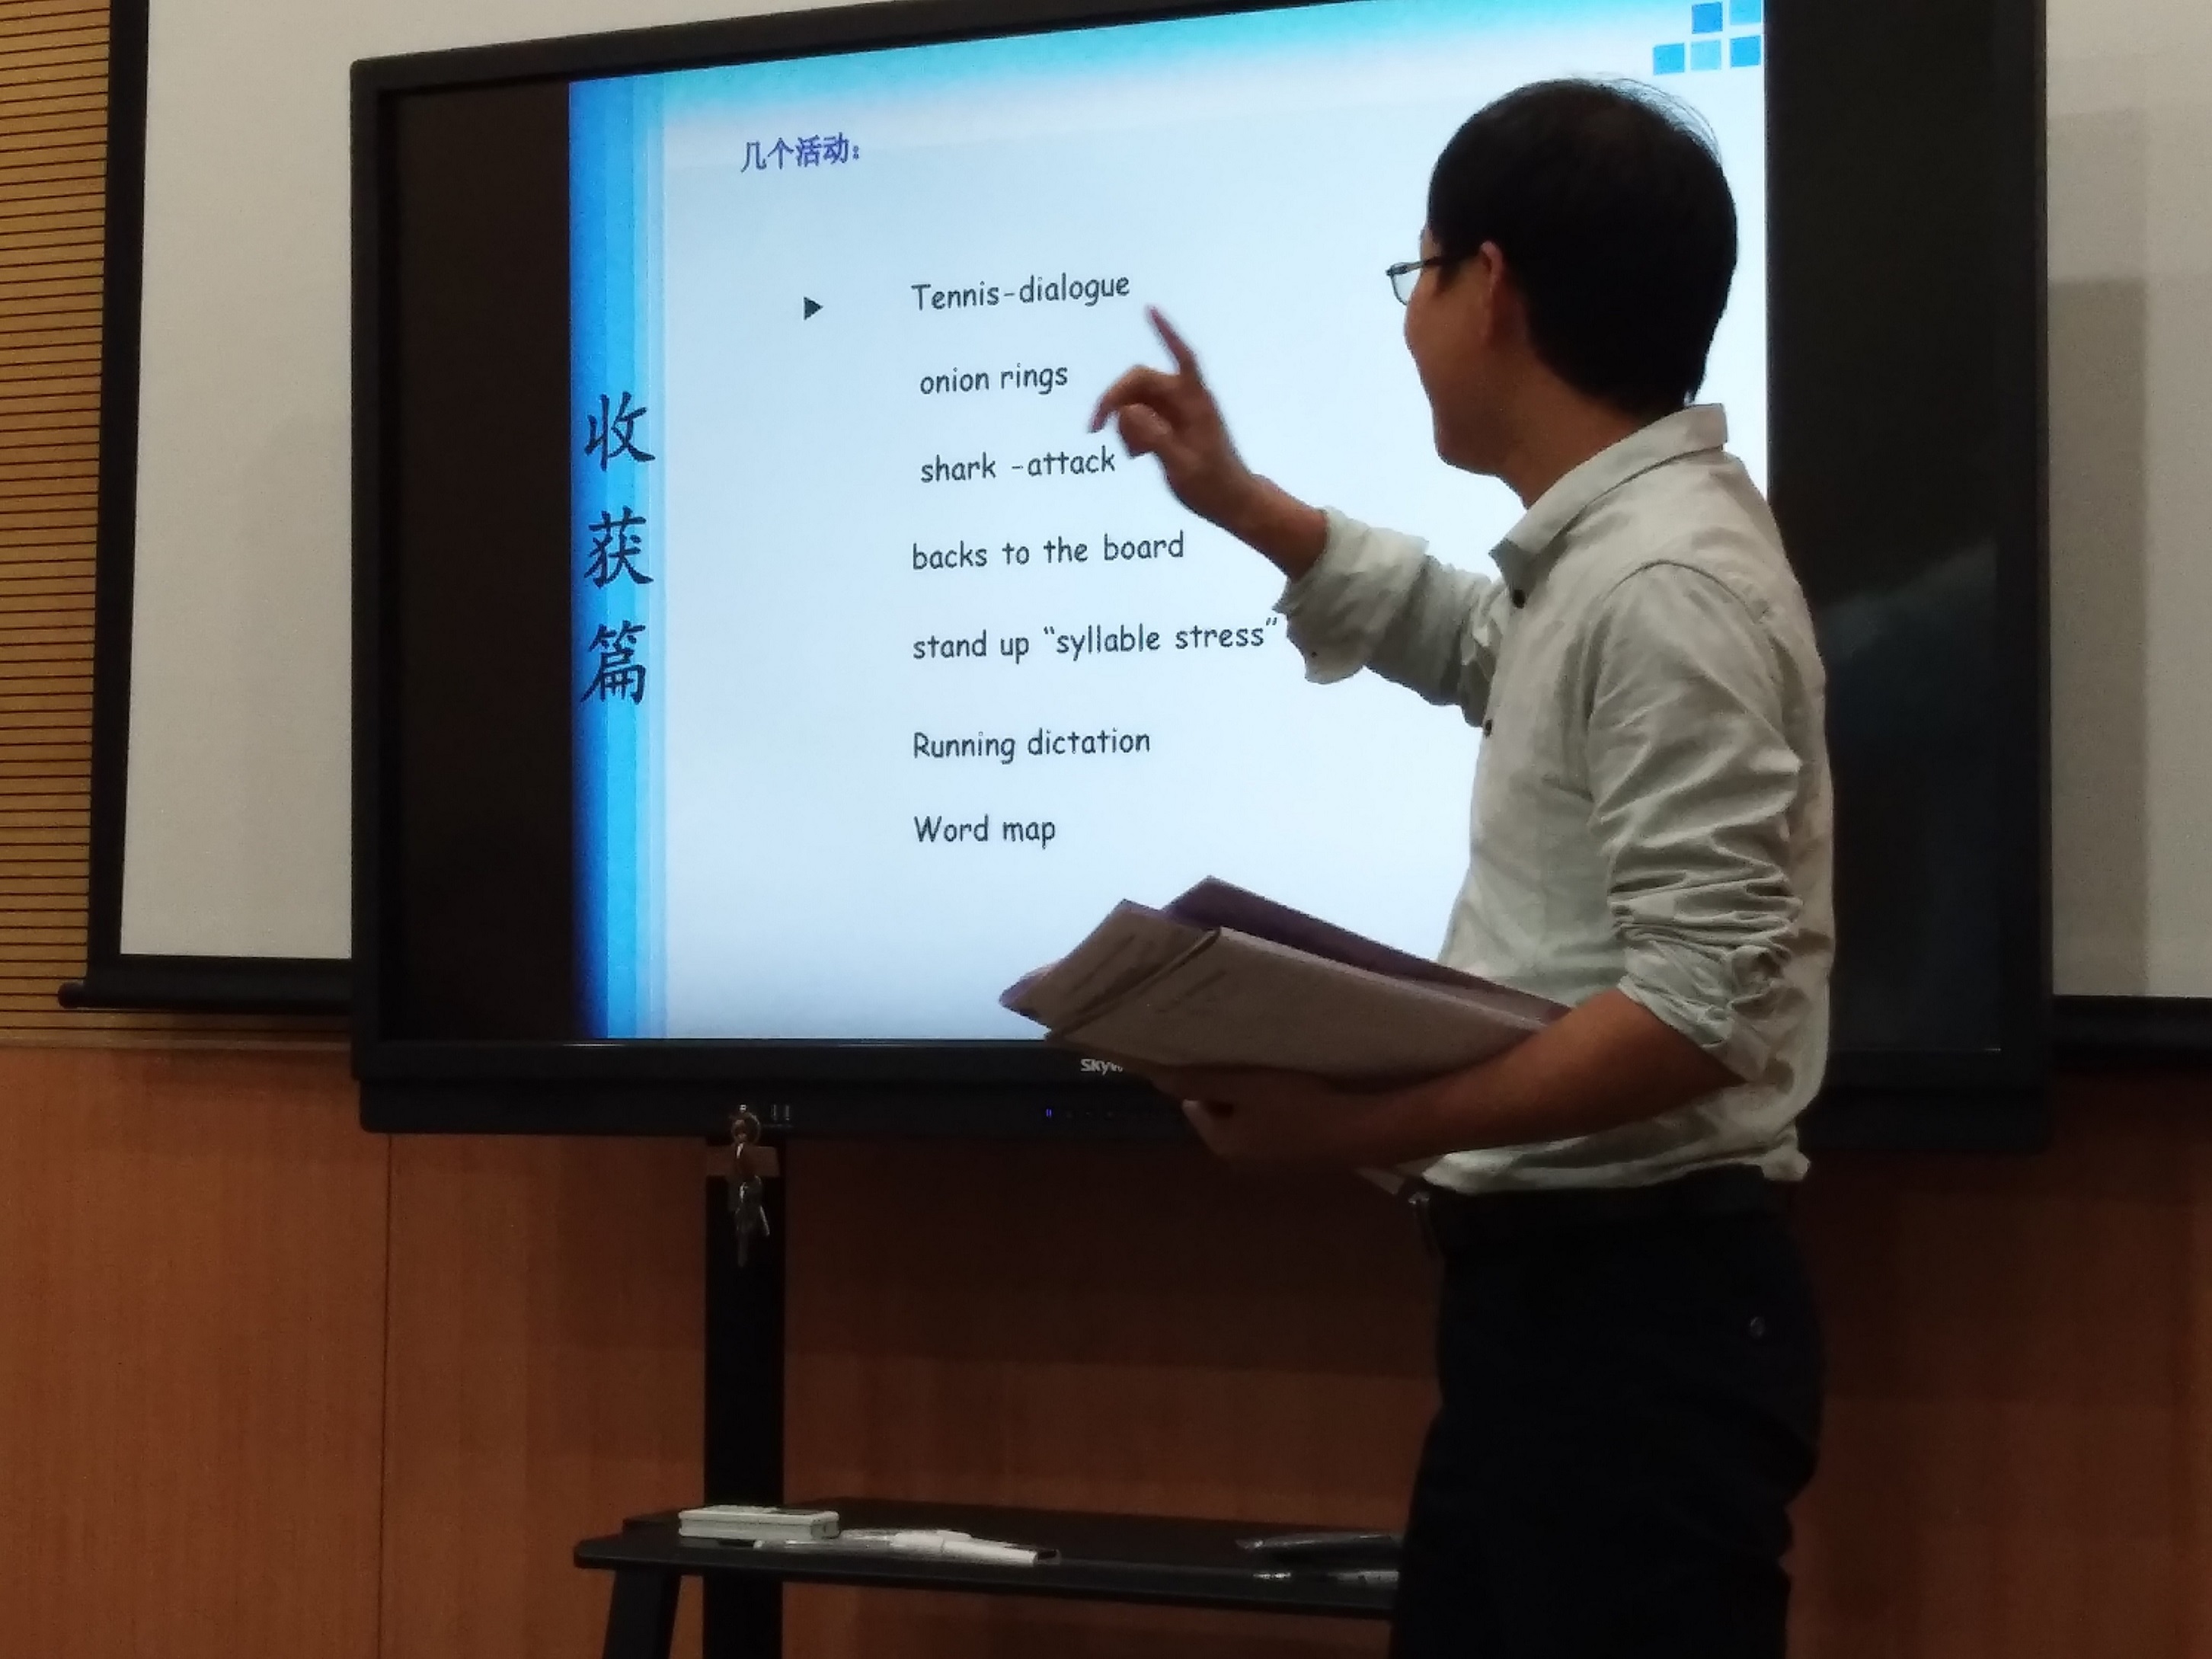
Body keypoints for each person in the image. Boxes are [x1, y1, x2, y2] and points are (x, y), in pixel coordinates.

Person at [1090, 80, 1830, 1659]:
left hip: (1638, 1330)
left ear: (1488, 287)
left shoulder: (1666, 584)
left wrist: (1353, 1128)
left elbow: (1699, 1009)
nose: (1410, 315)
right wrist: (1241, 502)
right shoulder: (1610, 556)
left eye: (1416, 271)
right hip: (1565, 1323)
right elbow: (1480, 644)